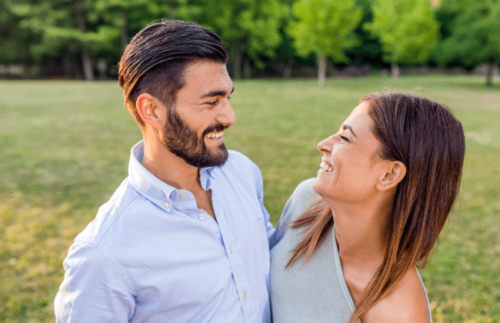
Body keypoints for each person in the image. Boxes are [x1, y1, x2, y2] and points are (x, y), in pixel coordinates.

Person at [55, 20, 274, 323]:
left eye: (228, 98)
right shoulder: (102, 253)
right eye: (211, 101)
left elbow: (271, 257)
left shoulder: (242, 172)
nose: (230, 117)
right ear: (152, 110)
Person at [269, 92, 465, 323]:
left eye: (345, 138)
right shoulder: (306, 200)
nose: (322, 145)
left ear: (388, 174)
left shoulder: (398, 313)